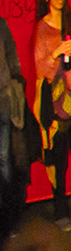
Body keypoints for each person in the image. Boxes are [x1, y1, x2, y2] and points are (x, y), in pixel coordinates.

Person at [29, 0, 71, 222]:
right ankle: (61, 210)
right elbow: (40, 67)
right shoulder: (42, 27)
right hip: (57, 96)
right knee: (59, 158)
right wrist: (56, 53)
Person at [0, 17, 25, 230]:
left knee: (4, 158)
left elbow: (12, 56)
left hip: (3, 100)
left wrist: (16, 81)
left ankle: (7, 215)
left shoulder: (1, 24)